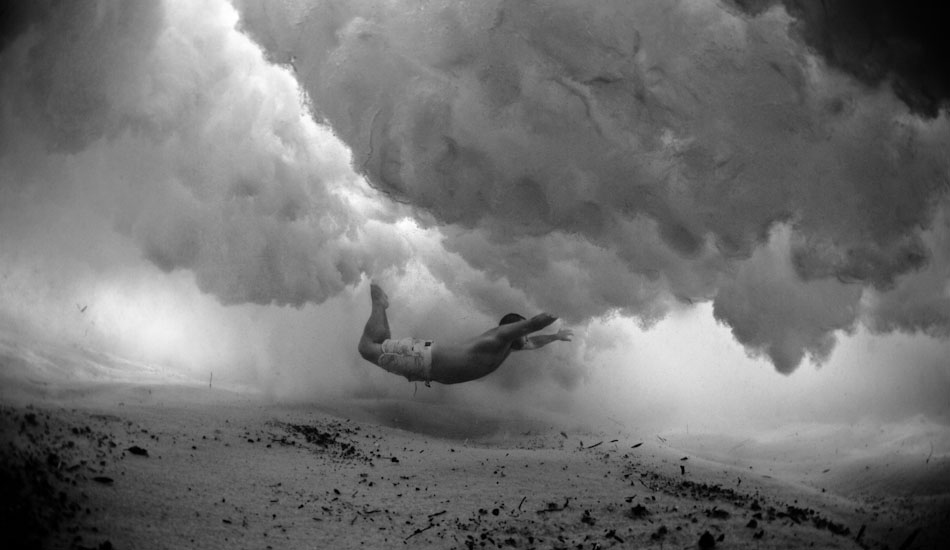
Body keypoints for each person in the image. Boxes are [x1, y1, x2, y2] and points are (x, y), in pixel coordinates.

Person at [358, 284, 573, 386]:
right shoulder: (499, 337)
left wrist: (555, 336)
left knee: (376, 345)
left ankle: (381, 306)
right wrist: (565, 306)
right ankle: (378, 302)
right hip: (424, 358)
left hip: (425, 365)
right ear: (513, 329)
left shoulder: (507, 347)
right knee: (366, 347)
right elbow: (534, 325)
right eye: (521, 332)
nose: (525, 340)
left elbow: (533, 341)